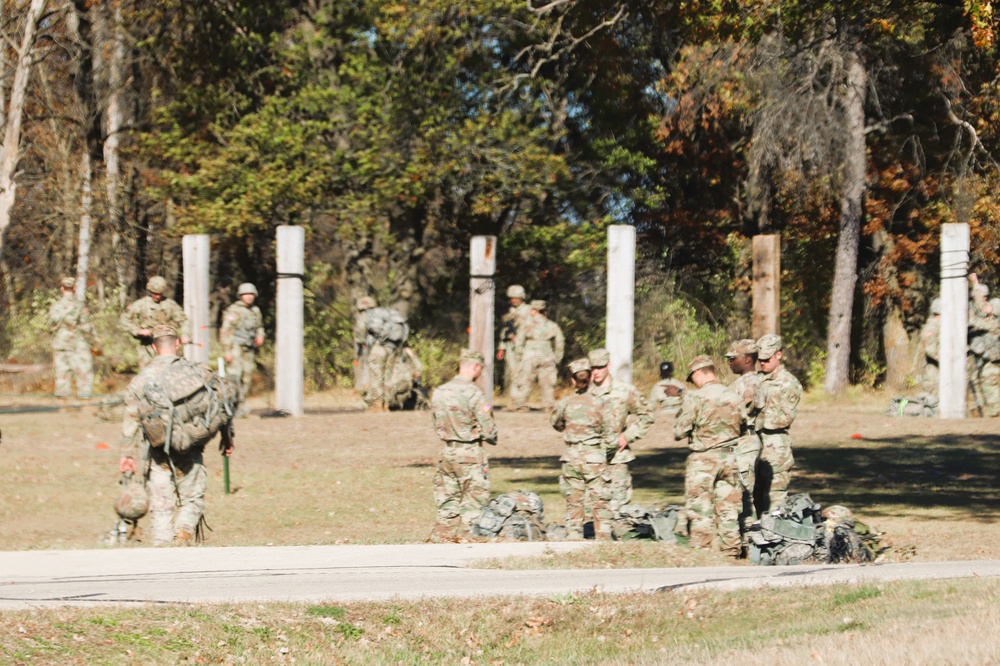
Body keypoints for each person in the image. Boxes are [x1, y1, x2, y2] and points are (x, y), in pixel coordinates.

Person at [119, 325, 235, 545]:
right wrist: (227, 437)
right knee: (192, 499)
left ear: (154, 347)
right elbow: (221, 405)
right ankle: (183, 531)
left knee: (161, 504)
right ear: (178, 343)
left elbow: (131, 419)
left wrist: (126, 455)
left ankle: (162, 546)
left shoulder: (142, 379)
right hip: (191, 447)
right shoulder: (198, 371)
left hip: (157, 451)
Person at [672, 355, 747, 558]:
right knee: (729, 509)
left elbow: (679, 431)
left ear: (697, 373)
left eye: (692, 377)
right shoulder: (734, 395)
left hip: (704, 459)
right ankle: (731, 553)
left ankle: (703, 554)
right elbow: (744, 425)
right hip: (730, 457)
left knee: (700, 509)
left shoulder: (696, 397)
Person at [430, 349, 498, 541]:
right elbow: (490, 430)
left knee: (447, 501)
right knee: (474, 502)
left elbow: (436, 421)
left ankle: (442, 540)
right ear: (475, 367)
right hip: (470, 453)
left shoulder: (439, 392)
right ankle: (469, 540)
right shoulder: (474, 394)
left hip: (447, 451)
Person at [550, 358, 616, 540]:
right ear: (591, 378)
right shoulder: (601, 403)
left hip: (571, 457)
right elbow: (612, 437)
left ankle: (573, 537)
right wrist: (604, 456)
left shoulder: (565, 403)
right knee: (600, 501)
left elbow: (556, 424)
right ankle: (603, 538)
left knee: (573, 501)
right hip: (594, 456)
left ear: (572, 380)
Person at [588, 348, 654, 522]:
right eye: (593, 367)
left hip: (617, 457)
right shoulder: (585, 393)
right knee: (591, 508)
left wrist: (627, 436)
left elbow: (647, 415)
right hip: (590, 457)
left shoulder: (625, 391)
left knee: (619, 507)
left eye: (600, 367)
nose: (596, 372)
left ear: (608, 365)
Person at [755, 334, 802, 515]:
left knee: (774, 498)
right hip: (754, 445)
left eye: (767, 359)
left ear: (779, 354)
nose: (763, 363)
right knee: (754, 495)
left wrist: (756, 419)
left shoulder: (789, 383)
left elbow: (785, 418)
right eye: (760, 360)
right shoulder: (756, 379)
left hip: (775, 447)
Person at [725, 338, 763, 522]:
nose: (730, 363)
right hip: (741, 441)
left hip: (744, 442)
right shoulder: (744, 382)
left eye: (733, 359)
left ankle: (748, 541)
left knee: (743, 497)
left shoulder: (748, 384)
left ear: (747, 359)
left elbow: (735, 412)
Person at [119, 276, 190, 368]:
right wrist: (138, 330)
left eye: (160, 294)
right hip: (148, 346)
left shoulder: (170, 305)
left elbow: (183, 321)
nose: (157, 296)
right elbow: (124, 319)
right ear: (150, 291)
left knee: (170, 371)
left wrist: (185, 334)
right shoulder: (141, 304)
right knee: (147, 373)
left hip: (167, 345)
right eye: (154, 293)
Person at [358, 297, 409, 412]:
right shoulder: (387, 313)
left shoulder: (368, 315)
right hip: (392, 348)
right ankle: (387, 405)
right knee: (388, 377)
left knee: (377, 377)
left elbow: (361, 331)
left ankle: (378, 405)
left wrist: (362, 342)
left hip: (377, 348)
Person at [512, 300, 564, 411]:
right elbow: (560, 342)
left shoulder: (526, 325)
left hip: (529, 355)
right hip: (547, 355)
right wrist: (557, 358)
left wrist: (519, 357)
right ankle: (548, 405)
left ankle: (521, 404)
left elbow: (519, 341)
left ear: (533, 310)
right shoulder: (552, 325)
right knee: (548, 382)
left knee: (525, 380)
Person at [219, 283, 264, 410]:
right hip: (235, 347)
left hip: (248, 347)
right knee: (234, 376)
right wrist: (227, 351)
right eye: (246, 294)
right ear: (241, 296)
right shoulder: (234, 310)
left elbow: (259, 326)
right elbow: (226, 331)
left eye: (251, 294)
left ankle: (242, 404)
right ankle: (232, 404)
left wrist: (260, 335)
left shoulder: (255, 311)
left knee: (247, 376)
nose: (249, 297)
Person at [47, 277, 94, 398]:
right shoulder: (79, 306)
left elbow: (49, 325)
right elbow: (86, 327)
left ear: (61, 289)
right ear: (74, 288)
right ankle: (84, 396)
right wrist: (90, 341)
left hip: (60, 343)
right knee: (83, 371)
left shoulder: (55, 306)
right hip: (77, 343)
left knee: (62, 372)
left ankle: (62, 398)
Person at [497, 285, 531, 395]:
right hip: (511, 346)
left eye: (516, 298)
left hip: (524, 346)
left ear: (522, 298)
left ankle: (522, 399)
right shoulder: (510, 312)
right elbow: (505, 331)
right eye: (512, 298)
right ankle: (514, 398)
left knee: (524, 372)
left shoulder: (528, 311)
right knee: (513, 373)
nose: (514, 300)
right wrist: (501, 348)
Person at [918, 298, 941, 395]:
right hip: (933, 376)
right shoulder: (931, 327)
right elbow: (930, 350)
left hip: (941, 373)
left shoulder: (940, 326)